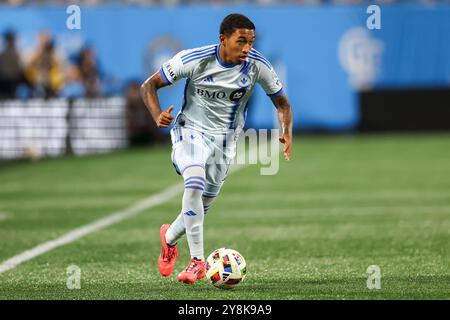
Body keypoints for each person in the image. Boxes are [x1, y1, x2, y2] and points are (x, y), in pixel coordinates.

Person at [140, 13, 293, 284]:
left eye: (251, 42)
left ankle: (168, 238)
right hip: (190, 131)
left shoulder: (258, 65)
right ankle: (198, 262)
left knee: (202, 203)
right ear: (223, 39)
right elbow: (149, 85)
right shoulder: (194, 59)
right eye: (241, 41)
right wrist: (157, 115)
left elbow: (283, 104)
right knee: (194, 181)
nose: (247, 48)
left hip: (225, 142)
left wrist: (286, 132)